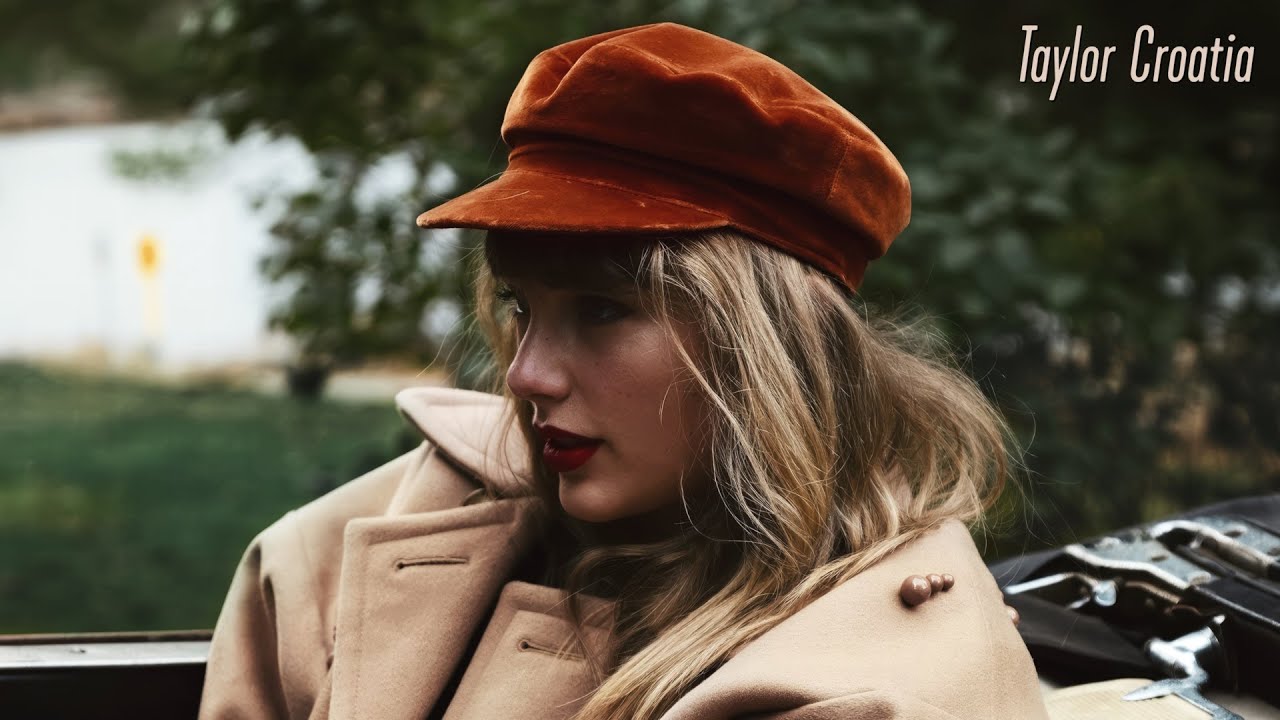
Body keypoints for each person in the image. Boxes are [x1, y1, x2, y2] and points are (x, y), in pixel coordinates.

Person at [199, 22, 1049, 720]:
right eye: (521, 307)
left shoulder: (871, 687)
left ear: (769, 351)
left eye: (602, 311)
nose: (524, 376)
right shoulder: (345, 546)